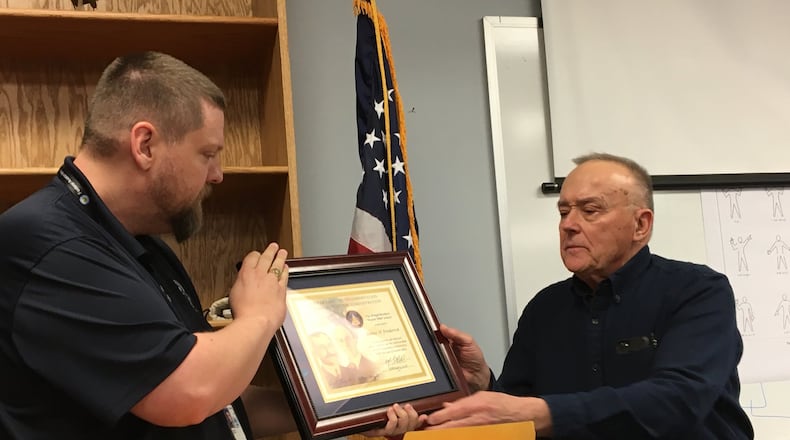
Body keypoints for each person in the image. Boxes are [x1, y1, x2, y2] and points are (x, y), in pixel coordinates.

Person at [0, 51, 417, 440]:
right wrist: (258, 316)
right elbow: (191, 391)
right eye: (208, 153)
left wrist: (349, 407)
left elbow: (222, 403)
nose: (218, 174)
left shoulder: (141, 242)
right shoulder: (50, 245)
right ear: (145, 145)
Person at [423, 153, 754, 439]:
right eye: (564, 212)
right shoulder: (545, 308)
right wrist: (483, 386)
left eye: (590, 211)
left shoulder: (698, 291)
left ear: (641, 224)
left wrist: (541, 413)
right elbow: (516, 412)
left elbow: (678, 400)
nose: (568, 225)